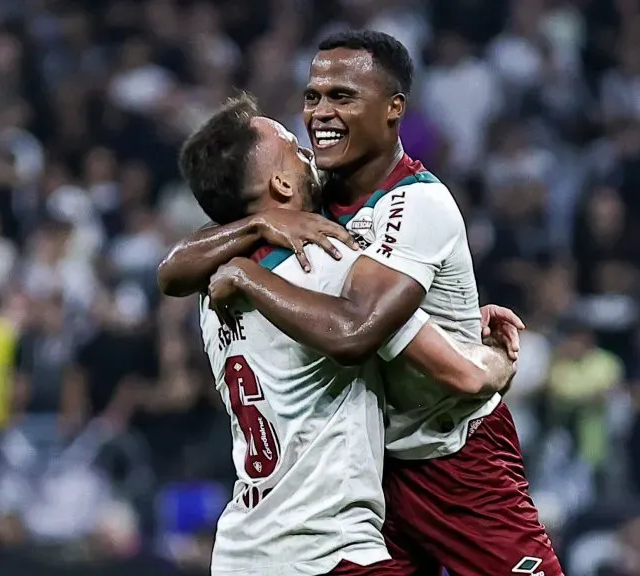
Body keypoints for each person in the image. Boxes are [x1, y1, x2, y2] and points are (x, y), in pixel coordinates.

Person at [160, 31, 561, 576]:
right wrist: (258, 224)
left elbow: (359, 327)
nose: (319, 113)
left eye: (342, 96)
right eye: (313, 96)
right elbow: (173, 267)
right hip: (367, 475)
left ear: (394, 108)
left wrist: (475, 343)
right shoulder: (305, 200)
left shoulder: (417, 202)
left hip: (452, 456)